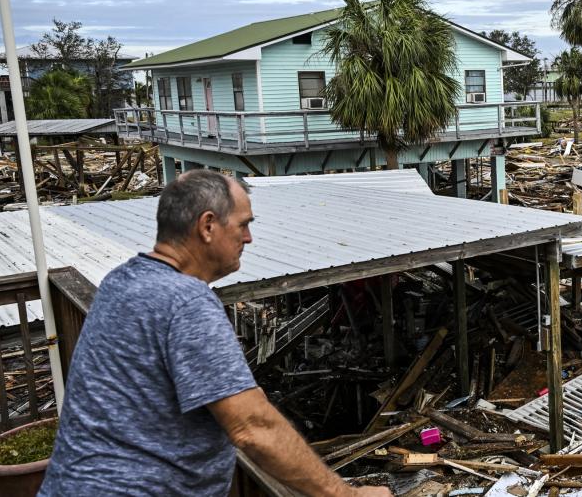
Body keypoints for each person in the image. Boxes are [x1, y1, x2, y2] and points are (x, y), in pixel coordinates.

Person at [40, 169, 391, 497]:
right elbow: (253, 428)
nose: (249, 238)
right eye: (243, 225)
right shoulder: (185, 301)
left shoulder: (122, 280)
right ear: (208, 226)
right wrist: (346, 494)